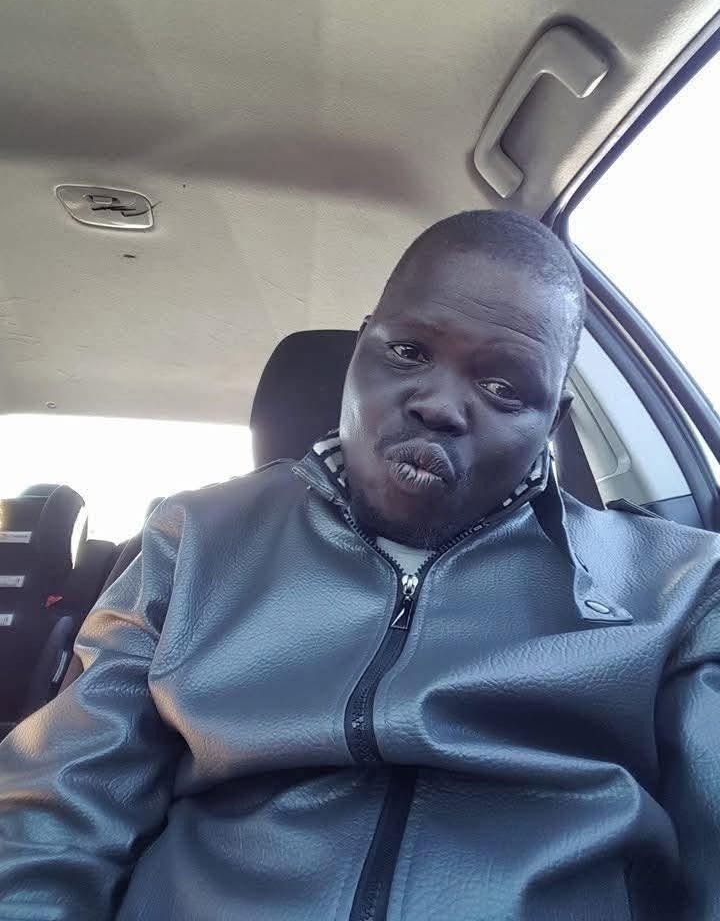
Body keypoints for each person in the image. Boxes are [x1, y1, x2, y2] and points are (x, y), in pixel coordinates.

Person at [0, 210, 718, 921]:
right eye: (407, 351)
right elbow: (56, 812)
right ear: (360, 349)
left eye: (503, 387)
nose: (439, 405)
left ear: (551, 421)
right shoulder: (193, 540)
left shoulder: (677, 588)